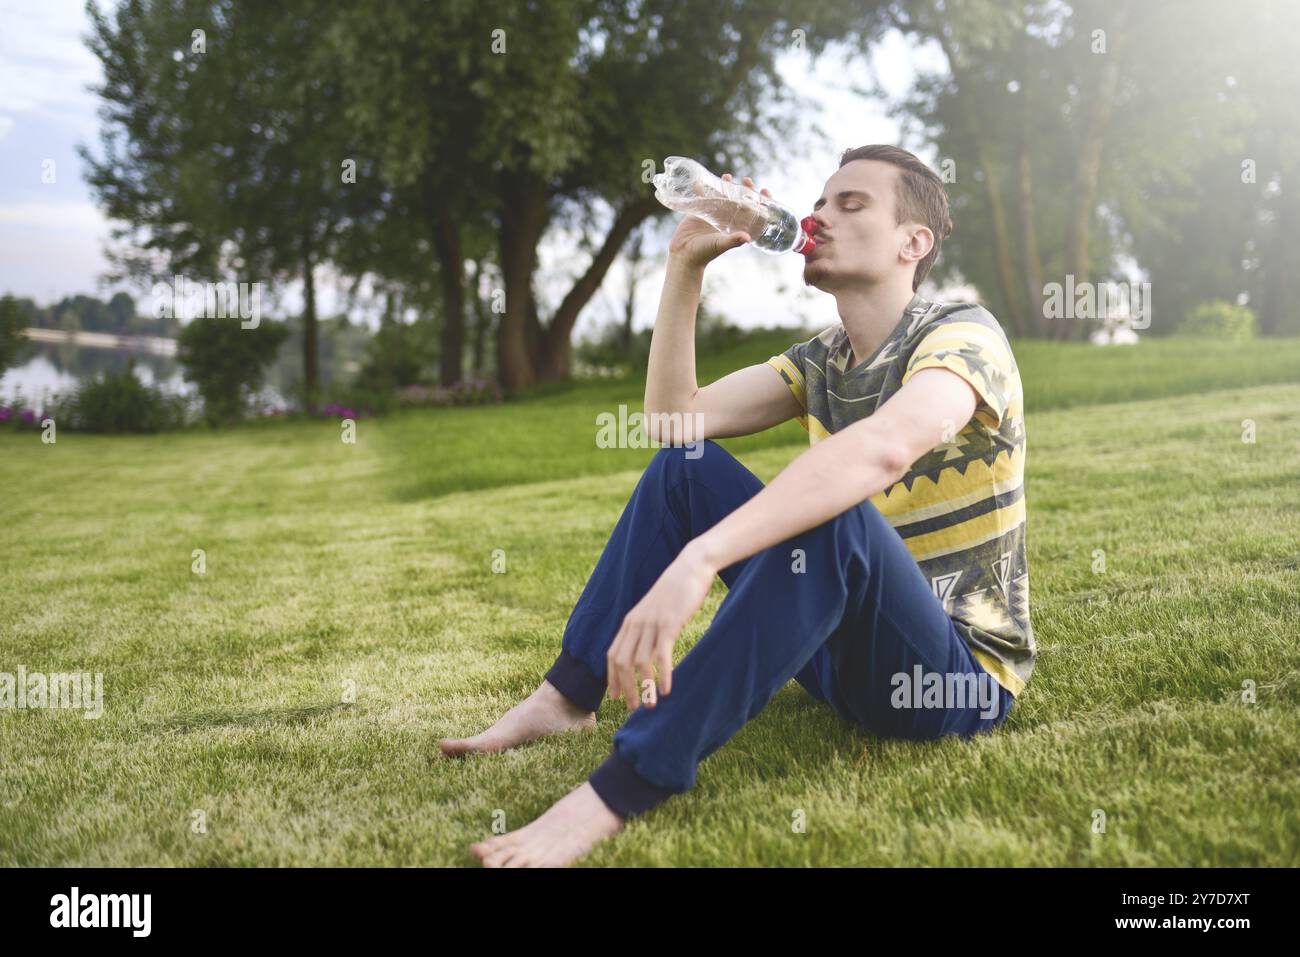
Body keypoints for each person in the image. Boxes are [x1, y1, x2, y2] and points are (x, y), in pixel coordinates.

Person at [442, 144, 1036, 868]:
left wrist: (705, 556)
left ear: (915, 243)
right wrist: (685, 267)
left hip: (948, 680)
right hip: (837, 663)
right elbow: (672, 421)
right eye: (820, 202)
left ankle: (620, 789)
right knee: (685, 469)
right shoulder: (821, 360)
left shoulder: (962, 333)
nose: (820, 216)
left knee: (836, 511)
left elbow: (883, 448)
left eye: (852, 204)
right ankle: (567, 696)